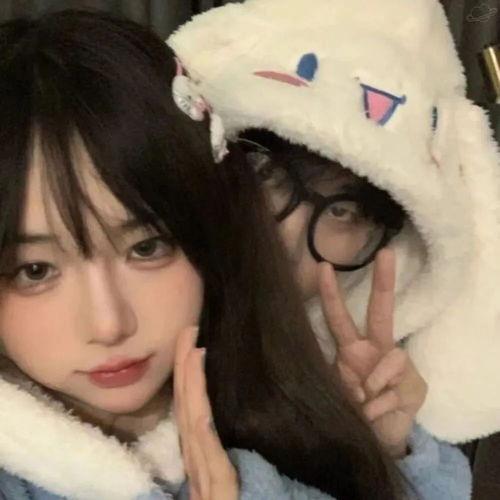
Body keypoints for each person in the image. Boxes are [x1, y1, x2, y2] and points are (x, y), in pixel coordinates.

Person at [0, 9, 470, 500]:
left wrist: (381, 455)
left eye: (146, 247)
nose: (108, 324)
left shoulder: (269, 395)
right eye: (36, 270)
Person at [168, 0, 500, 444]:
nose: (287, 238)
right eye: (268, 175)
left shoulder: (375, 385)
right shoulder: (126, 321)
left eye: (344, 211)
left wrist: (383, 452)